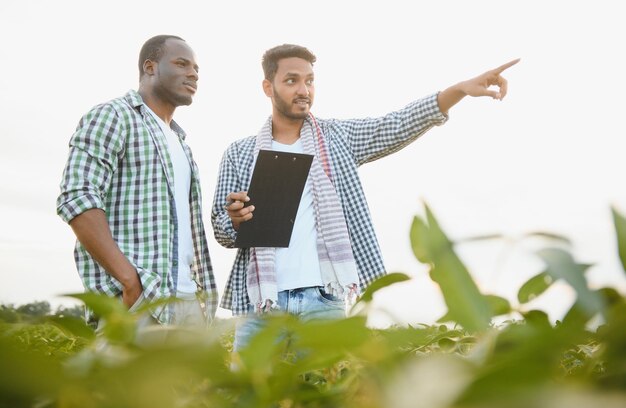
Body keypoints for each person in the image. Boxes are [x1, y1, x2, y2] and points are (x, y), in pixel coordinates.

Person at [211, 44, 519, 349]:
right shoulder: (240, 153)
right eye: (291, 80)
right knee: (249, 392)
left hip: (323, 301)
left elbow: (395, 125)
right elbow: (221, 228)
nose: (303, 89)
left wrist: (460, 90)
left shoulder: (337, 138)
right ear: (268, 87)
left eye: (310, 80)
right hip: (260, 302)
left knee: (324, 393)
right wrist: (237, 221)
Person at [57, 35, 217, 328]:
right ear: (150, 67)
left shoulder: (182, 143)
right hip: (140, 302)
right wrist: (129, 280)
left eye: (196, 68)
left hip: (188, 303)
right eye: (182, 64)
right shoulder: (114, 115)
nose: (193, 73)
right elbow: (77, 197)